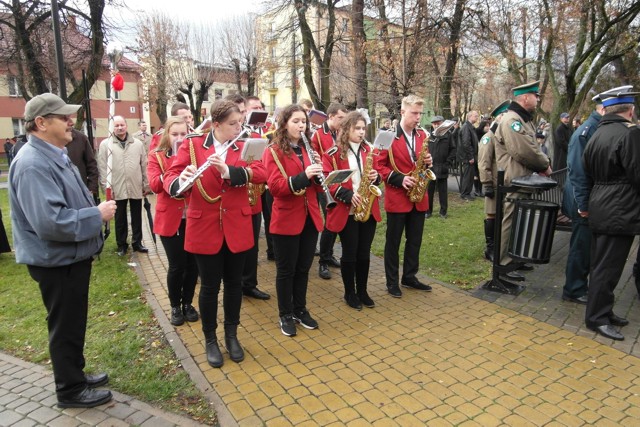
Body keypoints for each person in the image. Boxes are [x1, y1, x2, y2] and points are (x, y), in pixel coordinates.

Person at [9, 93, 116, 408]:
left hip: (69, 258)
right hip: (56, 262)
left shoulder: (54, 153)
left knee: (73, 322)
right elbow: (51, 223)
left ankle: (75, 375)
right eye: (63, 117)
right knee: (65, 326)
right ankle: (70, 390)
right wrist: (96, 215)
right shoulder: (32, 164)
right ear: (41, 123)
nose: (72, 122)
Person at [164, 100, 266, 366]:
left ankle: (231, 335)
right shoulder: (193, 144)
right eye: (232, 124)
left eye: (239, 122)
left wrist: (231, 171)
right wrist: (182, 179)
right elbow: (170, 177)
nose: (238, 127)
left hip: (237, 225)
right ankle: (210, 339)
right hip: (204, 226)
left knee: (233, 285)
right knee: (209, 287)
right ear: (216, 124)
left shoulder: (247, 142)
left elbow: (261, 172)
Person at [583, 86, 640, 341]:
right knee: (608, 267)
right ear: (631, 110)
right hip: (619, 207)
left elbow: (586, 171)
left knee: (602, 264)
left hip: (602, 204)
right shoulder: (629, 134)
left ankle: (603, 311)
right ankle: (597, 318)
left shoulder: (598, 133)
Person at [262, 104, 324, 337]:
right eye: (296, 121)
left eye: (304, 122)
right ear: (284, 123)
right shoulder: (273, 151)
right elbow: (276, 187)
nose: (301, 126)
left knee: (303, 268)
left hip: (310, 216)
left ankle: (300, 309)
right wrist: (304, 175)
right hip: (287, 218)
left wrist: (320, 173)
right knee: (286, 271)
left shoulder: (308, 149)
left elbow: (315, 186)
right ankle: (285, 314)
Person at [322, 111, 381, 310]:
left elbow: (379, 173)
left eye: (364, 128)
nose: (362, 132)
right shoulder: (333, 153)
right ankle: (349, 293)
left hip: (367, 208)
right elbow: (328, 181)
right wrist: (348, 195)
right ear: (346, 129)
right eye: (357, 128)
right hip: (347, 210)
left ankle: (362, 291)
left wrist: (376, 177)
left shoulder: (370, 150)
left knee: (364, 253)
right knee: (350, 253)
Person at [378, 94, 433, 298]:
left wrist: (428, 162)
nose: (418, 118)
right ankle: (392, 281)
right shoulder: (386, 135)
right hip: (398, 196)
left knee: (415, 240)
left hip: (418, 197)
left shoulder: (422, 135)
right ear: (402, 112)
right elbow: (378, 166)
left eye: (420, 113)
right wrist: (399, 179)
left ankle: (409, 276)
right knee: (393, 242)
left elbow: (422, 162)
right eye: (414, 113)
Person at [494, 81, 551, 277]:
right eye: (535, 96)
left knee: (519, 222)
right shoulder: (512, 120)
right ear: (525, 97)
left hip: (523, 179)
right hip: (514, 179)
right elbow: (525, 151)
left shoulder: (522, 119)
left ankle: (515, 259)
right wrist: (544, 164)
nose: (537, 99)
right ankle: (503, 264)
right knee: (510, 222)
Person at [147, 117, 200, 326]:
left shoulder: (194, 155)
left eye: (184, 134)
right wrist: (173, 174)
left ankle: (188, 303)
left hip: (194, 217)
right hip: (171, 219)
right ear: (166, 135)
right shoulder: (157, 156)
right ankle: (175, 306)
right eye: (175, 134)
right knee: (177, 265)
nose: (180, 138)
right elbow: (154, 185)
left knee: (193, 264)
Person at [561, 92, 608, 305]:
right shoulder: (586, 132)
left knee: (584, 246)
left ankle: (579, 285)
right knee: (580, 247)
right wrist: (583, 204)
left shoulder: (594, 129)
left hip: (586, 198)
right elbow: (578, 172)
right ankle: (574, 289)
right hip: (581, 200)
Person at [97, 116, 150, 256]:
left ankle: (137, 242)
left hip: (135, 185)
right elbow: (102, 167)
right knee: (120, 217)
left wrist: (146, 184)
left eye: (122, 125)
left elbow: (144, 165)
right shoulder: (106, 145)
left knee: (137, 216)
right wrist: (106, 188)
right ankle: (122, 244)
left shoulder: (137, 144)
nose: (120, 128)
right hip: (117, 186)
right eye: (116, 125)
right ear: (112, 128)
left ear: (126, 126)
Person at [240, 95, 271, 300]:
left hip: (254, 197)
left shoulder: (260, 135)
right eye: (249, 110)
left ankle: (249, 284)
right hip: (235, 197)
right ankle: (235, 283)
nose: (254, 112)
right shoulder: (236, 135)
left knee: (252, 245)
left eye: (260, 108)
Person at [312, 102, 347, 280]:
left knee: (335, 221)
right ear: (331, 116)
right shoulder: (318, 135)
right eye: (341, 118)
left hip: (340, 181)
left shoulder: (341, 133)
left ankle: (329, 254)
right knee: (329, 222)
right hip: (323, 183)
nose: (343, 121)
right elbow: (313, 157)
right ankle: (323, 261)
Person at [477, 100, 510, 262]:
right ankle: (490, 248)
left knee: (502, 216)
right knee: (492, 215)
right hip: (494, 183)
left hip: (504, 183)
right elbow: (484, 163)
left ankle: (501, 246)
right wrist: (487, 184)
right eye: (505, 116)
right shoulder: (488, 138)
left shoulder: (502, 136)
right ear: (499, 117)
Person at [425, 115, 456, 219]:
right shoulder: (429, 136)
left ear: (442, 123)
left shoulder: (448, 135)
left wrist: (448, 162)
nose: (436, 125)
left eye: (438, 123)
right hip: (431, 167)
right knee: (429, 191)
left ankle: (443, 212)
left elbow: (453, 149)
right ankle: (428, 211)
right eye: (434, 123)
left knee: (443, 191)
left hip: (443, 166)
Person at [66, 129, 99, 197]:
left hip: (81, 190)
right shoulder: (48, 139)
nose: (70, 122)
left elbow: (91, 164)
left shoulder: (81, 138)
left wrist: (92, 188)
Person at [458, 110, 480, 200]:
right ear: (470, 116)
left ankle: (467, 193)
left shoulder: (470, 127)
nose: (477, 117)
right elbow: (466, 143)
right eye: (475, 116)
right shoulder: (466, 127)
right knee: (468, 175)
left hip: (469, 156)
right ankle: (465, 194)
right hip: (467, 157)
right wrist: (470, 156)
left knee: (470, 175)